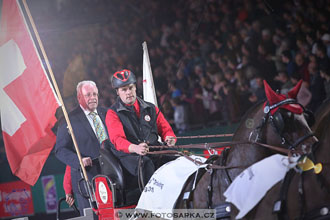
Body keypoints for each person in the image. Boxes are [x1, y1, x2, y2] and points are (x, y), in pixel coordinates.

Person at [105, 69, 176, 187]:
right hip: (130, 155)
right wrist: (135, 148)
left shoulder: (151, 108)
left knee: (175, 156)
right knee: (145, 164)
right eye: (124, 89)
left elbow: (165, 129)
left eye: (131, 88)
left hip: (153, 149)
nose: (128, 92)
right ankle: (151, 201)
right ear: (117, 92)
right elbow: (117, 140)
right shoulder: (113, 113)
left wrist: (170, 138)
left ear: (135, 88)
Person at [55, 80, 109, 217]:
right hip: (87, 181)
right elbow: (60, 150)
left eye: (95, 94)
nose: (93, 98)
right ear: (79, 97)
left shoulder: (107, 113)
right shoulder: (69, 120)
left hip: (111, 176)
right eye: (88, 95)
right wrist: (79, 161)